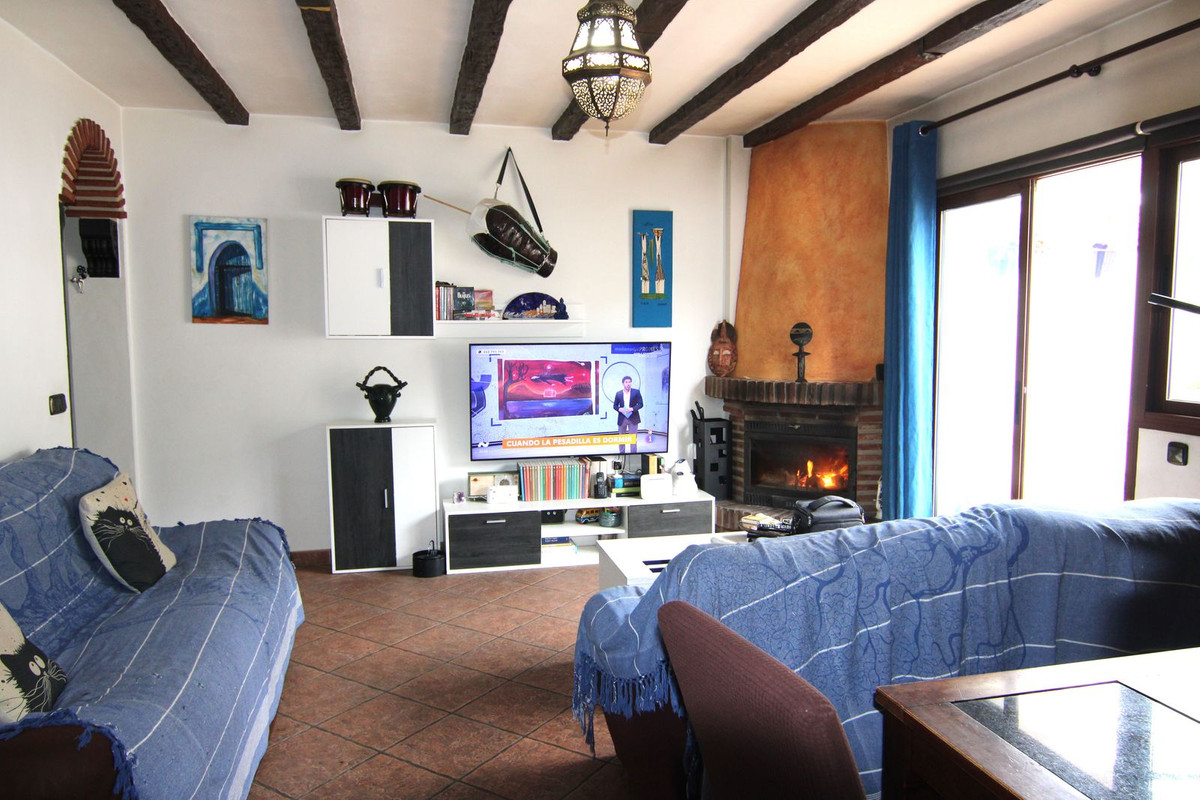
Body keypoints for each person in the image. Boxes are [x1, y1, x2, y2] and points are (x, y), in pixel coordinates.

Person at [613, 375, 643, 454]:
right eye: (626, 382)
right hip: (622, 418)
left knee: (633, 439)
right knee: (621, 438)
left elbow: (641, 404)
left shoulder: (636, 392)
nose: (628, 384)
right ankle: (622, 454)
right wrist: (619, 409)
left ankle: (633, 454)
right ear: (623, 383)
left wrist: (632, 408)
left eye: (629, 382)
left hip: (633, 418)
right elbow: (615, 406)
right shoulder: (618, 393)